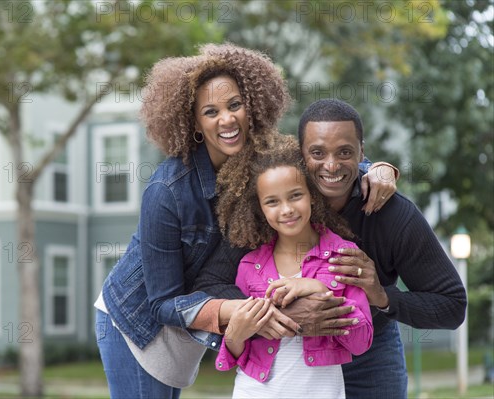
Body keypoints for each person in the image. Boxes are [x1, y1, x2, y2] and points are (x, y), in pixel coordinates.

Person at [194, 98, 467, 399]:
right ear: (300, 154)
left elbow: (451, 306)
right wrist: (278, 312)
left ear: (362, 153)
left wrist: (381, 295)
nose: (332, 165)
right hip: (289, 362)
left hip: (369, 351)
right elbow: (210, 284)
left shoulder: (392, 215)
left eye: (346, 153)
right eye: (317, 153)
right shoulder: (275, 209)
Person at [95, 43, 292, 399]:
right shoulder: (167, 191)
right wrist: (234, 310)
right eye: (211, 111)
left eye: (235, 105)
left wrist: (374, 171)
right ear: (195, 123)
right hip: (135, 323)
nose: (227, 119)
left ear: (252, 107)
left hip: (186, 323)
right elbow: (162, 302)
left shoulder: (265, 160)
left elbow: (320, 162)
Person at [214, 136, 373, 398]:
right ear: (261, 209)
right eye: (273, 202)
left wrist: (319, 289)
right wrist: (234, 336)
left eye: (295, 195)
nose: (286, 209)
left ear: (312, 195)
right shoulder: (249, 266)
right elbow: (235, 352)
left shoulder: (343, 256)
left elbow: (361, 341)